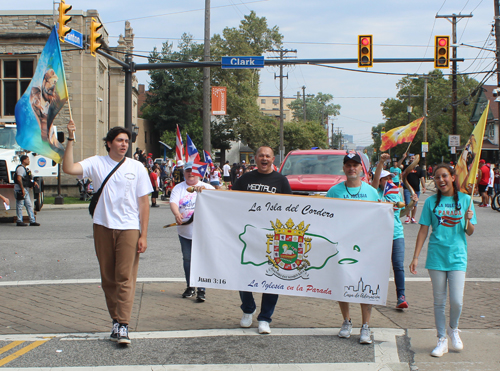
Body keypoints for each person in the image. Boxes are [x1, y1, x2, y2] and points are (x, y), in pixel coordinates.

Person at [63, 120, 152, 345]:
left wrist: (144, 234)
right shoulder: (97, 163)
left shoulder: (137, 167)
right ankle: (115, 320)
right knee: (108, 279)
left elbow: (144, 203)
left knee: (124, 276)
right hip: (102, 225)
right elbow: (69, 168)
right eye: (120, 140)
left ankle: (123, 324)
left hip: (129, 227)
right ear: (109, 143)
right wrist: (71, 139)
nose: (124, 145)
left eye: (127, 141)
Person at [409, 164, 476, 357]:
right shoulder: (431, 202)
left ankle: (453, 329)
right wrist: (415, 257)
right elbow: (423, 230)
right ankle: (441, 339)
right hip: (436, 257)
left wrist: (469, 219)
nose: (441, 180)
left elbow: (470, 232)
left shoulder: (466, 200)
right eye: (437, 177)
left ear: (453, 177)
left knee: (456, 301)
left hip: (457, 257)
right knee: (439, 302)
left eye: (444, 176)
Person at [232, 146, 292, 335]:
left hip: (273, 236)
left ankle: (265, 318)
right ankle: (248, 309)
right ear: (255, 159)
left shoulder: (281, 181)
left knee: (272, 277)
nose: (264, 158)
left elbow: (290, 207)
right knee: (243, 274)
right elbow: (229, 200)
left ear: (273, 159)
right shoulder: (245, 179)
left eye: (267, 156)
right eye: (261, 156)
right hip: (248, 235)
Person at [325, 152, 380, 344]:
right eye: (348, 165)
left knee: (365, 285)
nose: (351, 168)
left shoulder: (372, 192)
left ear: (361, 168)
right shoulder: (334, 191)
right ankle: (346, 320)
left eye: (355, 165)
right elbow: (325, 216)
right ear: (344, 168)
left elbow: (379, 217)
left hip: (366, 247)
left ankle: (366, 325)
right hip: (342, 247)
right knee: (343, 283)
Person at [372, 153, 418, 310]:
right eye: (385, 179)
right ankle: (374, 294)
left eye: (389, 178)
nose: (388, 181)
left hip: (396, 234)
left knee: (398, 265)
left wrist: (412, 203)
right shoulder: (373, 193)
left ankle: (401, 297)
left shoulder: (394, 192)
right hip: (378, 236)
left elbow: (401, 211)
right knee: (378, 266)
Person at [169, 161, 215, 302]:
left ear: (199, 173)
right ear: (184, 173)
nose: (190, 173)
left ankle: (202, 289)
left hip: (203, 233)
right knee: (187, 259)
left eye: (193, 171)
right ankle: (191, 286)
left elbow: (217, 204)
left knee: (201, 260)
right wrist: (177, 214)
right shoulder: (179, 188)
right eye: (187, 171)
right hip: (185, 231)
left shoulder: (207, 187)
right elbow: (173, 203)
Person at [14, 155, 40, 227]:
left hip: (25, 189)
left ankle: (32, 220)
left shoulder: (26, 169)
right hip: (20, 189)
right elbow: (19, 179)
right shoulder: (21, 169)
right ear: (23, 160)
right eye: (27, 159)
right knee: (20, 205)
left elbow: (27, 179)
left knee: (29, 205)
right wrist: (22, 189)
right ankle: (19, 221)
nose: (29, 161)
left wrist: (33, 182)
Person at [402, 154, 426, 224]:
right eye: (411, 158)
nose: (412, 159)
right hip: (407, 188)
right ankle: (407, 217)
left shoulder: (419, 169)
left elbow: (422, 178)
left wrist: (424, 187)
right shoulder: (407, 167)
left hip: (416, 189)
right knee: (408, 203)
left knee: (415, 203)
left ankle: (413, 217)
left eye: (413, 158)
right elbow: (399, 165)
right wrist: (403, 158)